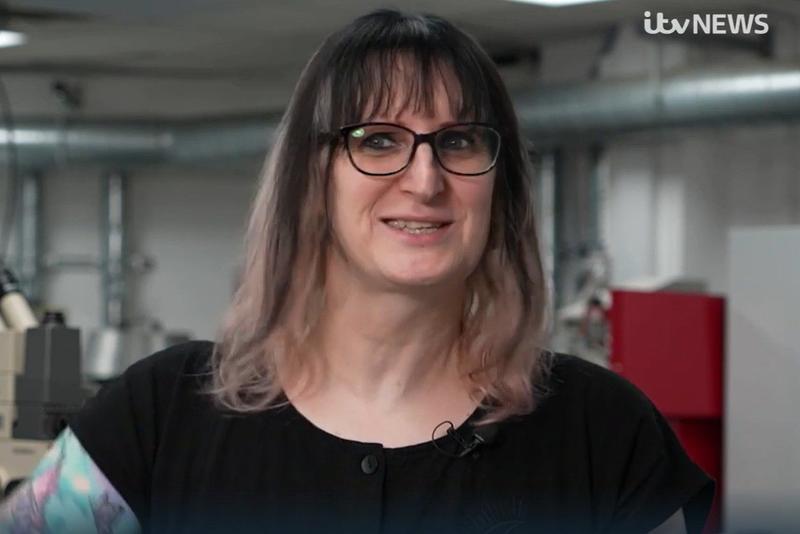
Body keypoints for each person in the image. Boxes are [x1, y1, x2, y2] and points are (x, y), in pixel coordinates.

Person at [0, 9, 714, 534]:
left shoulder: (604, 433)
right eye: (378, 140)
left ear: (500, 187)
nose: (425, 179)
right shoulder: (158, 415)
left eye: (459, 141)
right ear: (313, 181)